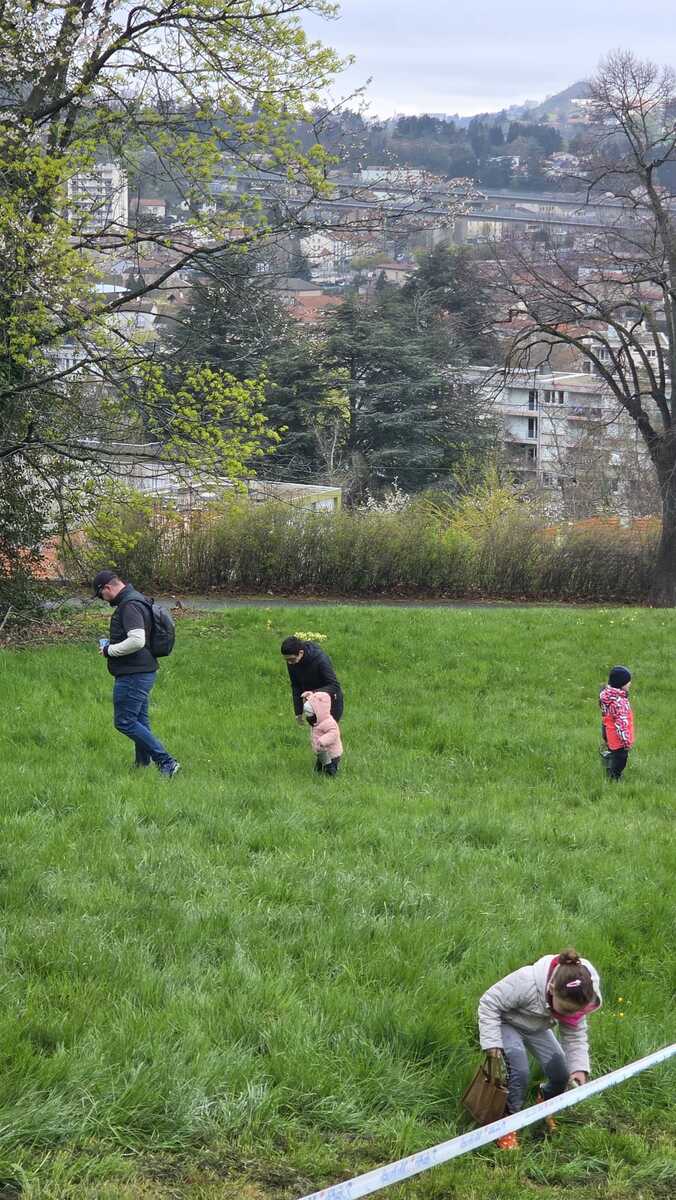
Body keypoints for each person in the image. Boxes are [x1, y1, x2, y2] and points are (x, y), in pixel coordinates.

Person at [477, 947, 602, 1150]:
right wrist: (492, 1044)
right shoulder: (525, 982)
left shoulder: (578, 997)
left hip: (536, 1027)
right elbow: (488, 1003)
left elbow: (575, 1035)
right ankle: (507, 1123)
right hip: (506, 1022)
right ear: (551, 988)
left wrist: (579, 1068)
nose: (571, 1015)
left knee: (561, 1073)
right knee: (520, 1072)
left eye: (575, 1011)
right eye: (566, 1010)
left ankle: (545, 1103)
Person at [93, 570, 180, 777]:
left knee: (124, 721)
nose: (103, 600)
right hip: (143, 670)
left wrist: (109, 650)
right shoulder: (137, 599)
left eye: (101, 595)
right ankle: (142, 764)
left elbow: (137, 640)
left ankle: (167, 762)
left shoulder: (129, 605)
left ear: (107, 588)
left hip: (134, 673)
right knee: (139, 721)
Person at [281, 636, 344, 725]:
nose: (289, 663)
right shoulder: (292, 662)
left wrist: (313, 693)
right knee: (315, 731)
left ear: (301, 653)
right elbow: (296, 685)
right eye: (286, 660)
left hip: (330, 703)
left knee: (329, 731)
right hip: (311, 703)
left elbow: (334, 686)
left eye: (291, 659)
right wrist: (298, 712)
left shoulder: (320, 659)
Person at [599, 665, 634, 781]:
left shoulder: (606, 694)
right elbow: (621, 723)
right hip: (618, 739)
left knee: (612, 750)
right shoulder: (619, 702)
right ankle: (614, 777)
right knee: (620, 759)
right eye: (628, 682)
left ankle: (609, 757)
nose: (630, 684)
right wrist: (626, 742)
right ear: (621, 684)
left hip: (608, 730)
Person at [302, 690, 343, 776]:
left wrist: (323, 741)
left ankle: (332, 775)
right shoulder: (316, 721)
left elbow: (334, 733)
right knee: (320, 764)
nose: (309, 716)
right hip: (322, 751)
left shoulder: (328, 722)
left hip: (332, 752)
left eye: (311, 713)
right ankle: (318, 772)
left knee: (330, 768)